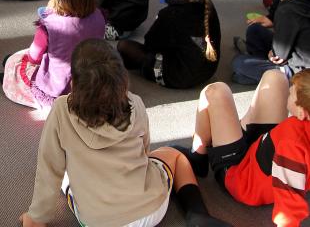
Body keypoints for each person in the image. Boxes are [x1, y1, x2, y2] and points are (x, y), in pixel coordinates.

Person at [20, 39, 230, 227]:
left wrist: (36, 217)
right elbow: (144, 151)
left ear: (74, 84)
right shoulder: (135, 103)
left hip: (98, 222)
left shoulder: (61, 110)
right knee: (174, 155)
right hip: (151, 211)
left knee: (64, 174)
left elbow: (48, 171)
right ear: (123, 81)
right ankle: (197, 214)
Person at [177, 69, 310, 227]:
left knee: (214, 91)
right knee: (276, 77)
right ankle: (235, 128)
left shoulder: (292, 145)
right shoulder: (297, 130)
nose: (289, 90)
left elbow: (289, 208)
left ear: (302, 113)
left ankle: (198, 157)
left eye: (292, 92)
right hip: (264, 152)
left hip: (241, 178)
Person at [1, 0, 105, 109]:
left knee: (13, 63)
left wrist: (49, 12)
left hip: (58, 90)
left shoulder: (50, 24)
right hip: (90, 83)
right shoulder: (99, 15)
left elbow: (34, 57)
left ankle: (11, 80)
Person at [117, 0, 221, 89]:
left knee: (124, 47)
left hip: (179, 76)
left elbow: (150, 45)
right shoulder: (207, 4)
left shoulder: (170, 15)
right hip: (207, 70)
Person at [232, 0, 310, 85]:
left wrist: (273, 53)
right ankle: (258, 68)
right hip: (293, 51)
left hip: (300, 72)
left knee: (239, 63)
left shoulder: (287, 10)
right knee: (255, 29)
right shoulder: (295, 4)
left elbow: (279, 55)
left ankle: (280, 79)